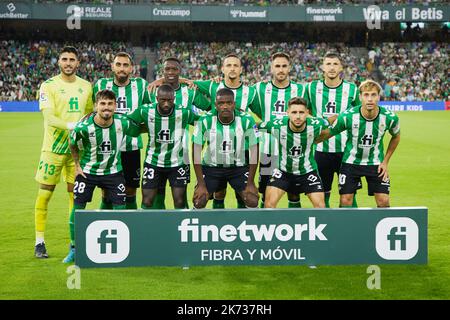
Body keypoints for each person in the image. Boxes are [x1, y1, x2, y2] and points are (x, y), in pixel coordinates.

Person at [63, 89, 141, 263]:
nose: (107, 107)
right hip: (88, 172)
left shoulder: (123, 123)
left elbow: (140, 127)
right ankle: (74, 248)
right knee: (77, 208)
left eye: (110, 104)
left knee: (121, 209)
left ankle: (121, 246)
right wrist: (76, 166)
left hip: (113, 172)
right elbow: (72, 142)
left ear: (115, 106)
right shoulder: (84, 127)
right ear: (96, 106)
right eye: (103, 104)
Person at [33, 46, 93, 259]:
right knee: (45, 193)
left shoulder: (87, 87)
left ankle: (74, 244)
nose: (68, 63)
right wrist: (73, 127)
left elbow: (89, 115)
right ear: (59, 62)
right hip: (52, 149)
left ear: (78, 63)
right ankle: (39, 241)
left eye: (72, 59)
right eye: (64, 59)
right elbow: (49, 118)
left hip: (76, 152)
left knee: (74, 196)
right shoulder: (48, 86)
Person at [317, 80, 400, 208]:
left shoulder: (390, 118)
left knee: (383, 201)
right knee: (345, 200)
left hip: (376, 163)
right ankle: (346, 227)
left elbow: (396, 137)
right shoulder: (348, 116)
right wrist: (309, 140)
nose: (370, 99)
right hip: (351, 163)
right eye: (366, 95)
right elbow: (329, 133)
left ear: (379, 96)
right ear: (360, 97)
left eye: (373, 95)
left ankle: (380, 227)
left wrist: (385, 161)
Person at [192, 54, 259, 209]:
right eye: (221, 103)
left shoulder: (246, 119)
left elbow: (255, 151)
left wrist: (251, 182)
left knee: (252, 200)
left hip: (238, 167)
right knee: (199, 200)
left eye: (229, 103)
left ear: (234, 104)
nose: (225, 106)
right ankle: (210, 228)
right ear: (215, 104)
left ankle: (244, 229)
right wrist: (201, 184)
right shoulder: (206, 120)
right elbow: (196, 151)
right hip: (212, 167)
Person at [147, 57, 211, 209]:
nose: (170, 72)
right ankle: (161, 228)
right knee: (157, 195)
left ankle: (182, 229)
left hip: (183, 153)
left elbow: (209, 109)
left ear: (179, 71)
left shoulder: (190, 92)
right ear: (162, 72)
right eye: (167, 69)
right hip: (157, 153)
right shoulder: (152, 92)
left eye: (174, 69)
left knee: (180, 197)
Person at [93, 52, 150, 210]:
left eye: (125, 65)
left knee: (131, 190)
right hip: (107, 147)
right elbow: (93, 112)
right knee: (106, 192)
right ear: (112, 67)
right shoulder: (101, 85)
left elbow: (149, 111)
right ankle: (104, 227)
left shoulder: (141, 85)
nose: (122, 68)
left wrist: (138, 130)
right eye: (118, 64)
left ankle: (131, 229)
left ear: (132, 68)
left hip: (131, 147)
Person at [128, 84, 199, 209]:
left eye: (169, 100)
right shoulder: (145, 110)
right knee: (147, 201)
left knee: (180, 202)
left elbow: (202, 121)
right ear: (157, 98)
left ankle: (180, 227)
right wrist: (141, 129)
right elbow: (126, 119)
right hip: (153, 162)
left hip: (177, 164)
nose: (166, 103)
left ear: (174, 98)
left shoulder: (183, 112)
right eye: (163, 100)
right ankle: (148, 228)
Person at [252, 52, 308, 208]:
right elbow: (240, 96)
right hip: (268, 149)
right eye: (277, 66)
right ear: (271, 68)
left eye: (284, 66)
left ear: (289, 68)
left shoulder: (301, 89)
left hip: (294, 149)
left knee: (294, 193)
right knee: (265, 193)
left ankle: (296, 228)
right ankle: (265, 227)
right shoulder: (260, 88)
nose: (281, 70)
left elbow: (309, 115)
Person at [306, 51, 362, 208]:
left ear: (341, 67)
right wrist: (319, 123)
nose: (331, 67)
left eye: (335, 64)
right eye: (328, 64)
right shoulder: (311, 87)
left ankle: (351, 228)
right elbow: (303, 111)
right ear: (323, 67)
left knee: (349, 195)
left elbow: (359, 114)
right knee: (323, 196)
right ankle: (327, 228)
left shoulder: (351, 89)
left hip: (346, 151)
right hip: (320, 149)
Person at [261, 97, 332, 208]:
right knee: (269, 205)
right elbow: (255, 127)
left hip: (308, 171)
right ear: (287, 113)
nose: (298, 116)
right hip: (283, 171)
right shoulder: (276, 125)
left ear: (307, 113)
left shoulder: (316, 124)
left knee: (321, 207)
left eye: (301, 112)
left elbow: (331, 121)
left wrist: (322, 137)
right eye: (294, 112)